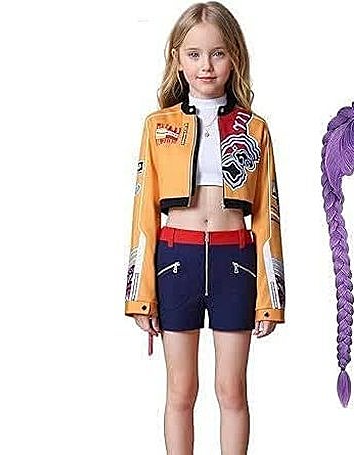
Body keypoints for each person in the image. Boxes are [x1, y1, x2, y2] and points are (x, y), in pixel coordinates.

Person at [123, 2, 285, 453]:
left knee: (232, 390)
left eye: (217, 53)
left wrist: (272, 298)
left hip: (237, 262)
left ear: (234, 57)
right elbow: (143, 212)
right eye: (194, 54)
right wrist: (139, 293)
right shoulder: (158, 127)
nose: (206, 65)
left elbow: (268, 215)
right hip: (178, 261)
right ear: (177, 58)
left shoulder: (255, 129)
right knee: (180, 391)